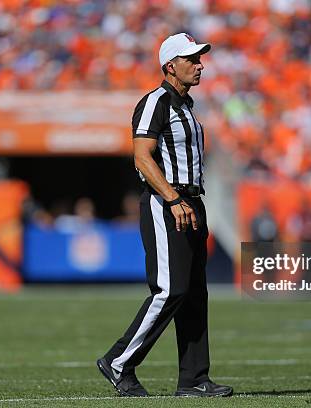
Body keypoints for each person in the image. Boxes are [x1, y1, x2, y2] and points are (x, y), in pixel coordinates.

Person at [96, 33, 233, 398]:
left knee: (195, 294)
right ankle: (119, 361)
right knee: (170, 289)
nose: (200, 64)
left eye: (200, 57)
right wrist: (173, 200)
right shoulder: (156, 101)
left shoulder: (186, 106)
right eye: (191, 58)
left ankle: (193, 378)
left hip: (190, 202)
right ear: (170, 65)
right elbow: (142, 156)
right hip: (165, 203)